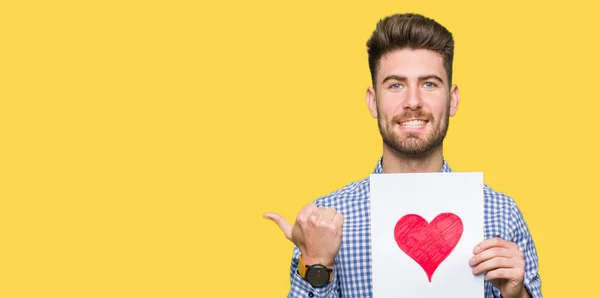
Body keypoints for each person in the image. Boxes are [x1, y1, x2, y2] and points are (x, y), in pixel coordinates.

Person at [264, 13, 542, 298]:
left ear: (453, 99)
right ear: (373, 102)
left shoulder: (501, 214)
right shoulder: (324, 222)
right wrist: (316, 264)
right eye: (396, 85)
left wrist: (517, 294)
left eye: (429, 84)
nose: (412, 102)